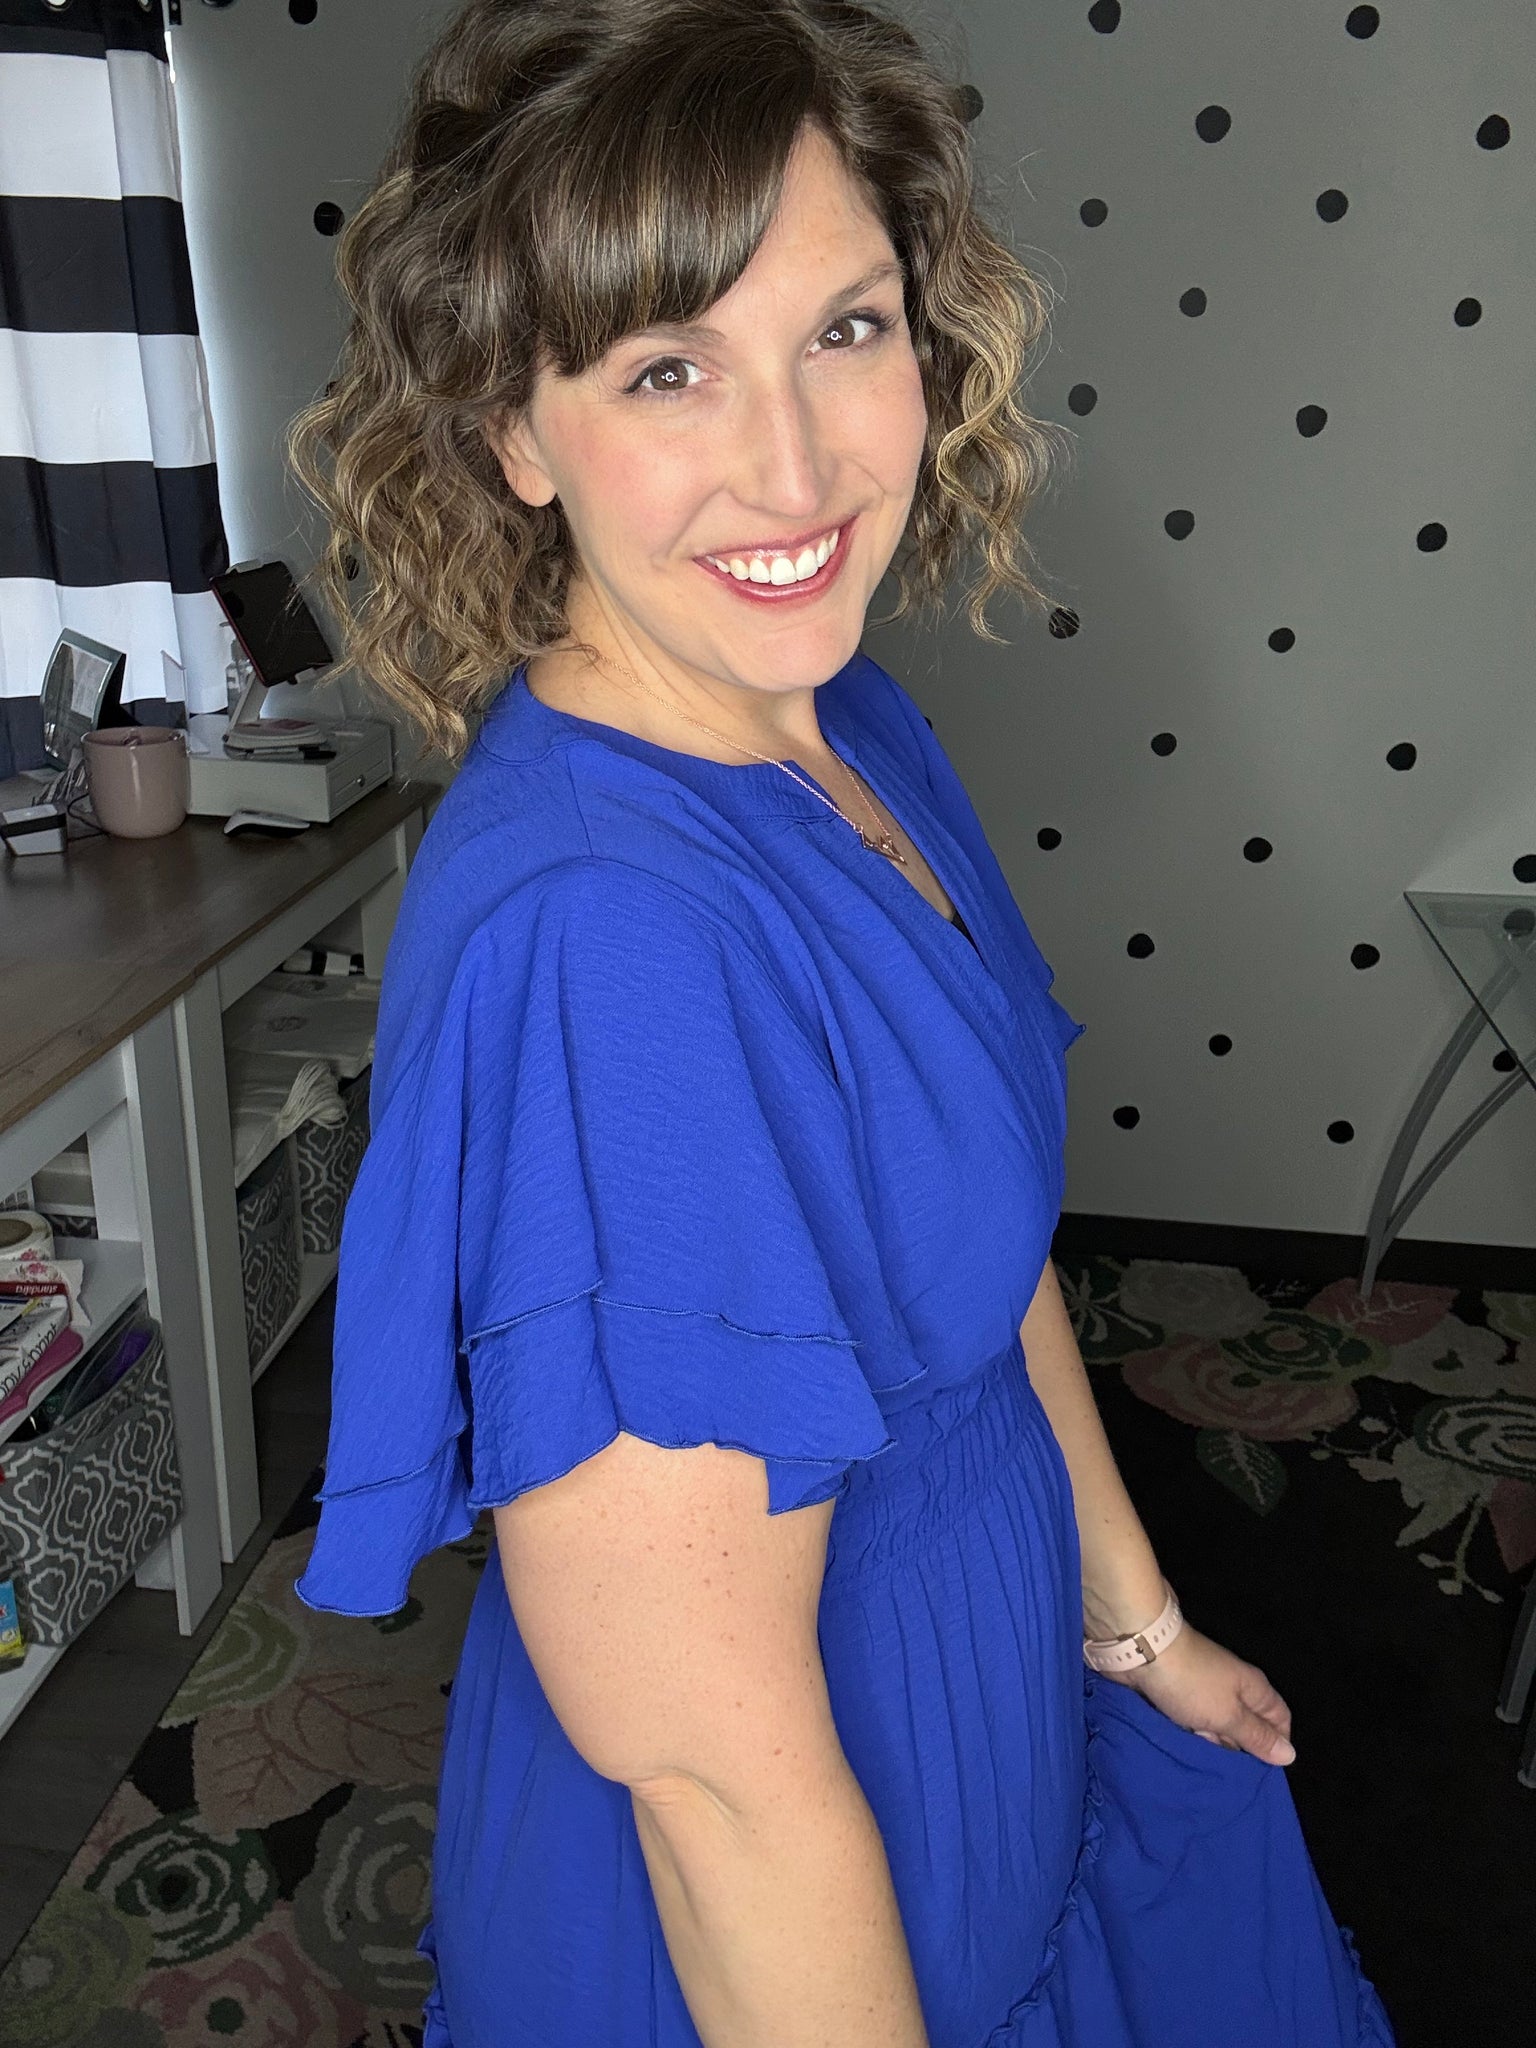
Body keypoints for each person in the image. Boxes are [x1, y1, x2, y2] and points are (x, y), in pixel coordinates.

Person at [288, 4, 1399, 2044]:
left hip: (978, 1680)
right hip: (788, 1866)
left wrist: (1136, 1624)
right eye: (668, 368)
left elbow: (984, 1258)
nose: (794, 468)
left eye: (846, 329)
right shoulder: (608, 947)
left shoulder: (835, 721)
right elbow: (717, 1780)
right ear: (516, 433)